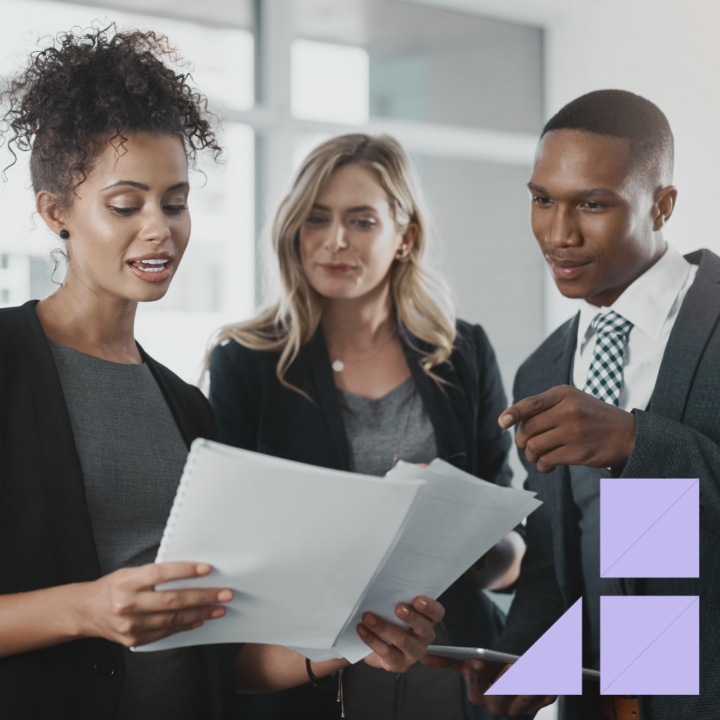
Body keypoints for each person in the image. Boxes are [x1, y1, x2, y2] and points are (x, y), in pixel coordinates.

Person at [0, 28, 444, 720]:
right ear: (56, 212)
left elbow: (220, 652)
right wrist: (83, 610)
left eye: (174, 203)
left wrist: (355, 641)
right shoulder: (7, 363)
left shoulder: (183, 407)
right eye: (126, 205)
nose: (160, 229)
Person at [207, 133, 526, 720]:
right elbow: (227, 539)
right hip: (303, 668)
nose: (335, 241)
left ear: (404, 237)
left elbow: (505, 537)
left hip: (443, 659)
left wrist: (468, 533)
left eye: (361, 221)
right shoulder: (245, 361)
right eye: (317, 219)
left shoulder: (463, 353)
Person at [425, 89, 720, 719]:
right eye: (542, 200)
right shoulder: (542, 369)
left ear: (662, 206)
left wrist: (640, 443)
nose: (559, 234)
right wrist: (523, 657)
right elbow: (564, 559)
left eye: (592, 204)